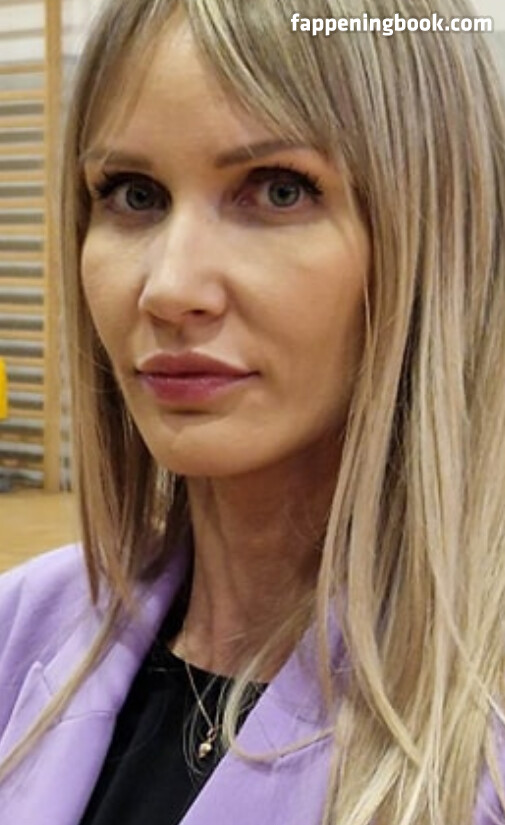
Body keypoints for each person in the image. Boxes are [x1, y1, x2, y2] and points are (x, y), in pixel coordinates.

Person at [1, 0, 505, 822]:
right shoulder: (21, 630)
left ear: (434, 234)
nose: (170, 287)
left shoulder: (482, 749)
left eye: (278, 190)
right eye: (134, 194)